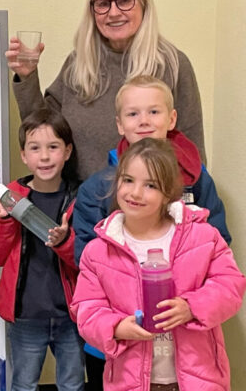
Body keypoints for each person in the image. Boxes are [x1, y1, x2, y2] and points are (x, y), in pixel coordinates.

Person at [71, 138, 245, 390]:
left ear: (169, 193)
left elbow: (230, 286)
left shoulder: (203, 236)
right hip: (129, 381)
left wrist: (192, 307)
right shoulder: (98, 251)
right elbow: (87, 310)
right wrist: (117, 327)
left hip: (199, 379)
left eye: (150, 185)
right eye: (128, 180)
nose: (135, 193)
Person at [7, 0, 205, 180]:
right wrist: (27, 76)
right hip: (81, 205)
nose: (113, 13)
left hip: (149, 208)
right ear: (92, 11)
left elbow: (193, 156)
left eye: (124, 1)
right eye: (103, 4)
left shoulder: (173, 64)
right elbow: (42, 133)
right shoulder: (78, 64)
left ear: (144, 4)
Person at [0, 108, 84, 391]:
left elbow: (87, 260)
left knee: (72, 385)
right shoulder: (11, 197)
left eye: (53, 147)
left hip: (71, 316)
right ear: (24, 155)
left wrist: (63, 242)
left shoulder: (81, 197)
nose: (45, 156)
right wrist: (2, 220)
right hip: (25, 316)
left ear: (68, 151)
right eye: (35, 148)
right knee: (23, 384)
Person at [74, 75, 230, 263]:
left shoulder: (197, 179)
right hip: (122, 287)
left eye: (154, 112)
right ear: (120, 125)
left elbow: (219, 243)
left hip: (187, 287)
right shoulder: (98, 188)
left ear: (171, 119)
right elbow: (86, 256)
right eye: (133, 114)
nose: (144, 121)